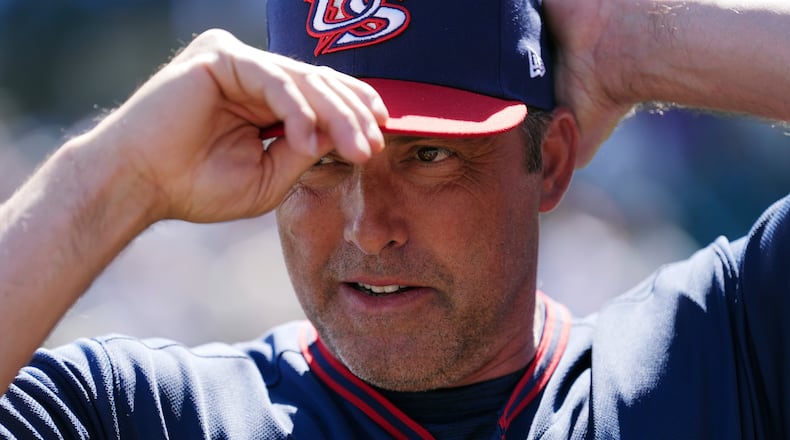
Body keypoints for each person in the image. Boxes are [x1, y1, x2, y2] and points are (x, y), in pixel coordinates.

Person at [1, 0, 789, 438]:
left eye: (428, 157)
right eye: (322, 159)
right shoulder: (151, 416)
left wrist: (633, 46)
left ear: (548, 161)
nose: (367, 228)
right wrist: (107, 183)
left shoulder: (719, 357)